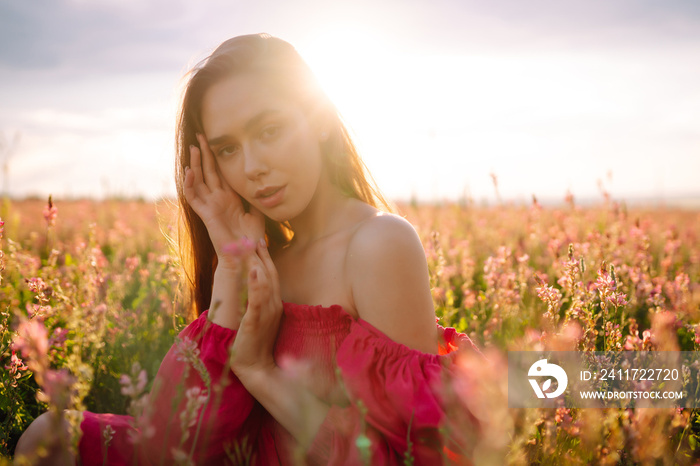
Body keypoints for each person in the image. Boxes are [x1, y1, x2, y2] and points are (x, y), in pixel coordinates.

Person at [16, 33, 479, 465]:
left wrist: (260, 372)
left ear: (317, 120)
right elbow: (178, 439)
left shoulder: (379, 243)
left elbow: (407, 454)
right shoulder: (266, 256)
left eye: (269, 131)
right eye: (228, 150)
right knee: (47, 435)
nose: (253, 167)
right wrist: (231, 255)